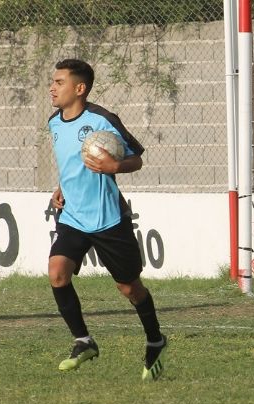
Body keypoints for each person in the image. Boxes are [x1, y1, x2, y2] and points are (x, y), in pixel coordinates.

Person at [47, 59, 166, 381]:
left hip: (109, 218)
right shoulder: (54, 122)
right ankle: (83, 341)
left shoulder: (102, 120)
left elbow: (136, 158)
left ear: (80, 88)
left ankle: (155, 339)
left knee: (129, 288)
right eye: (53, 82)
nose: (52, 88)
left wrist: (116, 167)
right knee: (58, 273)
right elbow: (73, 161)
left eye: (59, 82)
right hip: (72, 216)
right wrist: (61, 187)